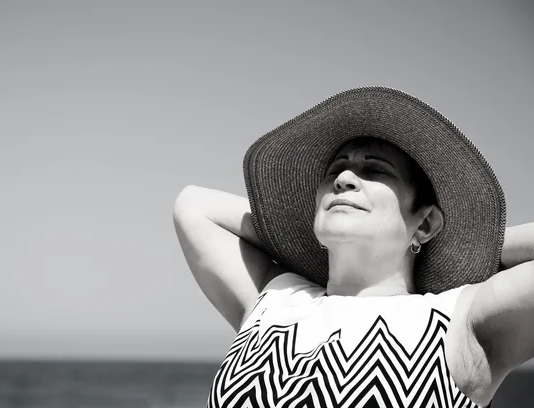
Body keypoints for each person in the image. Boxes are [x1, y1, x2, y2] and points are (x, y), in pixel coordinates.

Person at [173, 87, 534, 408]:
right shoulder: (276, 297)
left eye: (375, 171)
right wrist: (304, 228)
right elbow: (193, 205)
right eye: (335, 171)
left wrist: (476, 246)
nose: (343, 179)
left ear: (423, 223)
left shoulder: (461, 318)